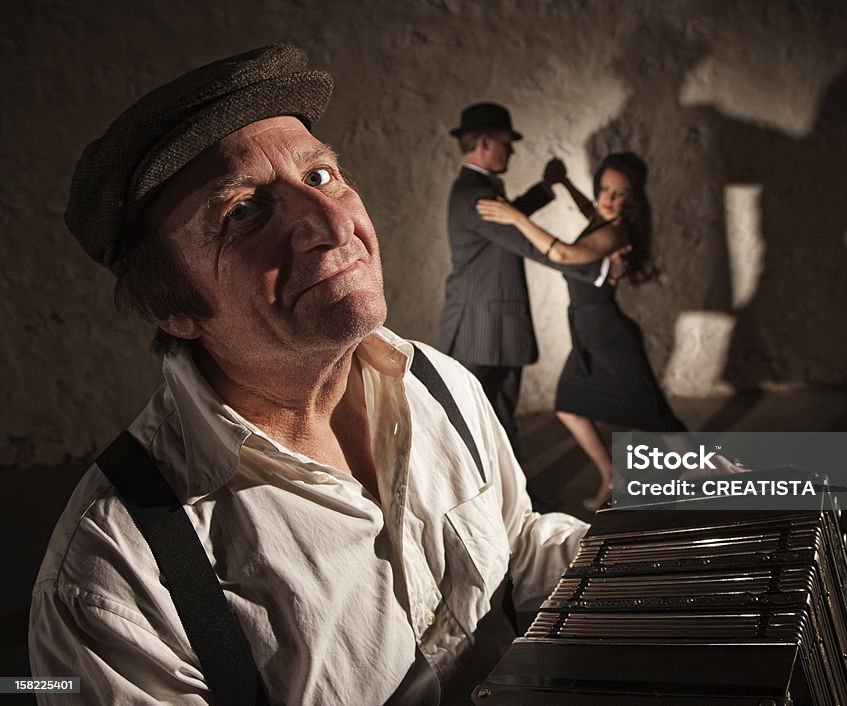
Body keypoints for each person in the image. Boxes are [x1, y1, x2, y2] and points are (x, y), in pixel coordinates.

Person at [29, 45, 588, 705]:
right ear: (171, 307)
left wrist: (667, 563)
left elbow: (517, 545)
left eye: (320, 176)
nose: (329, 224)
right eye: (243, 212)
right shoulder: (112, 576)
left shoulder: (439, 383)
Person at [477, 153, 720, 509]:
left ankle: (708, 475)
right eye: (604, 189)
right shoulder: (601, 217)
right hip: (588, 334)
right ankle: (612, 474)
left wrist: (516, 217)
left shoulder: (615, 232)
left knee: (655, 416)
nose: (607, 199)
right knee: (569, 407)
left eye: (619, 194)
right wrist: (564, 185)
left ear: (632, 199)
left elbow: (563, 254)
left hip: (610, 337)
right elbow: (590, 208)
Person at [439, 103, 624, 461]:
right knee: (469, 421)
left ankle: (519, 496)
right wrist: (597, 269)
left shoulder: (478, 189)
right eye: (508, 142)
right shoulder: (475, 195)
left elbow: (511, 221)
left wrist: (546, 187)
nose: (512, 149)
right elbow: (528, 244)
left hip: (494, 325)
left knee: (501, 418)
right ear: (485, 142)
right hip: (479, 327)